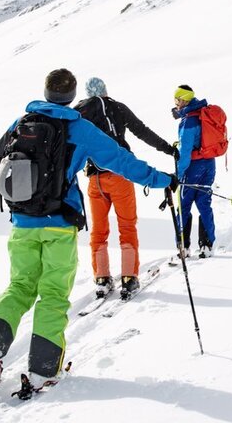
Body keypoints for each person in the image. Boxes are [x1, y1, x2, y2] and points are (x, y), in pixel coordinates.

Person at [0, 69, 177, 389]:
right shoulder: (78, 128)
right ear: (71, 94)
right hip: (59, 225)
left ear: (46, 91)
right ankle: (42, 368)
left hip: (22, 224)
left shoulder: (22, 122)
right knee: (52, 294)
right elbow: (122, 161)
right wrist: (163, 180)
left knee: (19, 287)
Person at [73, 77, 177, 299]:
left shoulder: (80, 113)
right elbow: (142, 131)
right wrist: (168, 149)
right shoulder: (117, 107)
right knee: (127, 227)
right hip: (121, 174)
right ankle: (129, 278)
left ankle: (102, 277)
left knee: (99, 230)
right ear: (105, 90)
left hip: (95, 180)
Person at [172, 85, 217, 258]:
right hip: (209, 164)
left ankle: (183, 245)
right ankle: (207, 244)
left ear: (184, 100)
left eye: (177, 100)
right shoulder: (203, 113)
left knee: (183, 205)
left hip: (193, 167)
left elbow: (185, 154)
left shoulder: (188, 121)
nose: (176, 104)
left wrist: (178, 174)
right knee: (204, 203)